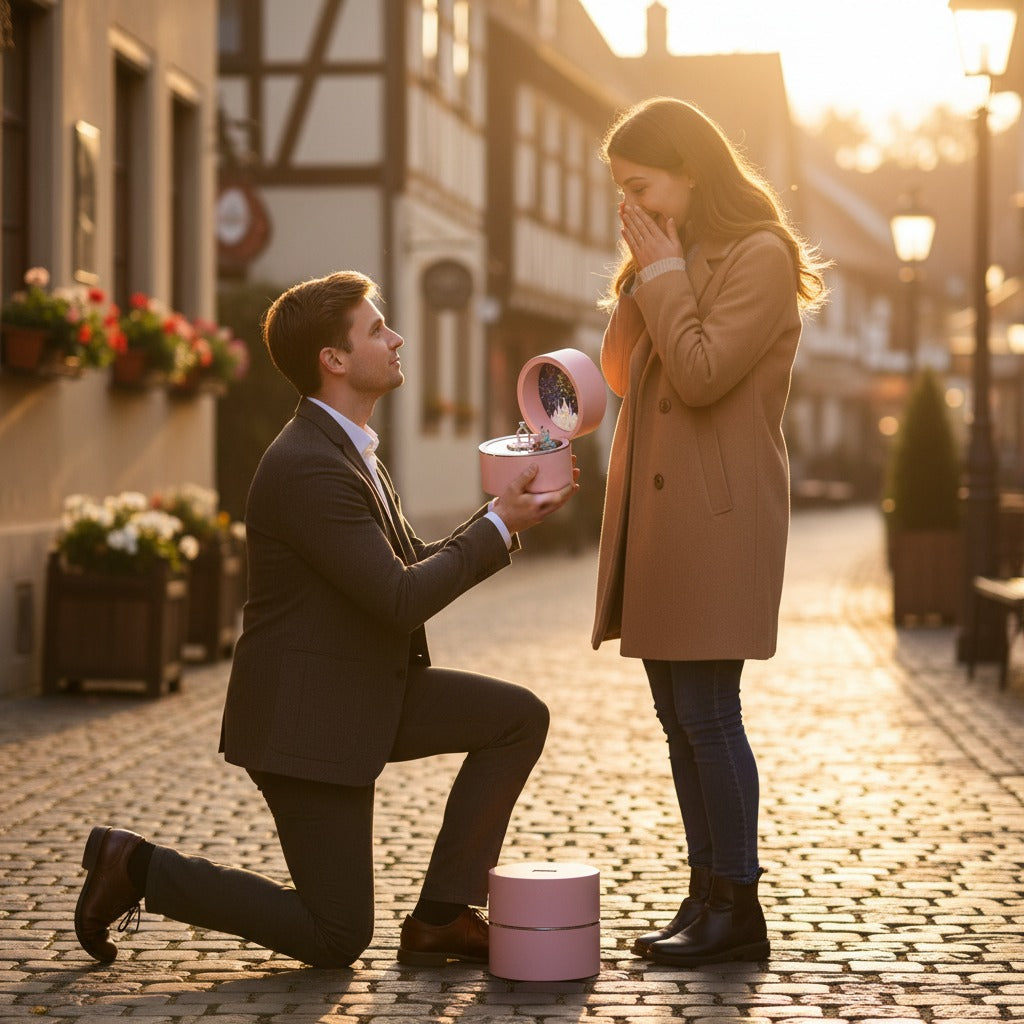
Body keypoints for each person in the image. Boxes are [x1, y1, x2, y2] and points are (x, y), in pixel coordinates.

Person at [74, 270, 578, 969]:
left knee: (517, 718)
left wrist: (504, 519)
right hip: (305, 720)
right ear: (333, 360)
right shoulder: (308, 464)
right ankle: (137, 869)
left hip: (367, 690)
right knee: (337, 935)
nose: (396, 337)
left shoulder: (351, 449)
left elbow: (403, 567)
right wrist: (494, 526)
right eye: (377, 329)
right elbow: (398, 598)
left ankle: (441, 916)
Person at [590, 97, 828, 967]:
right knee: (675, 716)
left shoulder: (758, 257)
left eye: (641, 186)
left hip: (718, 522)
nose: (631, 206)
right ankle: (704, 896)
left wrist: (663, 277)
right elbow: (621, 372)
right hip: (661, 521)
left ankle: (738, 904)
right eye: (621, 192)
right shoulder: (671, 258)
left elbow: (698, 374)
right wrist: (642, 269)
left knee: (710, 712)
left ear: (689, 169)